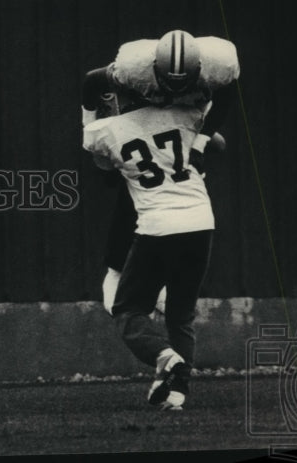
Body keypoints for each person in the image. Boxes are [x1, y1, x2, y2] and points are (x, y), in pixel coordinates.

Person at [82, 30, 238, 314]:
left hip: (189, 111)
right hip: (145, 108)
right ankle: (118, 268)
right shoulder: (133, 69)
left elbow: (228, 95)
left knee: (212, 149)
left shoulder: (220, 64)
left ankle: (154, 276)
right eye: (170, 81)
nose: (175, 87)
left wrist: (201, 142)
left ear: (201, 69)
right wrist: (92, 128)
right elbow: (92, 80)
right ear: (154, 68)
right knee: (133, 179)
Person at [83, 99, 215, 411]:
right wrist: (199, 138)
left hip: (155, 223)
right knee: (180, 315)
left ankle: (164, 356)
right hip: (200, 221)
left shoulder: (115, 128)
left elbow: (95, 151)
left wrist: (93, 110)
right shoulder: (186, 116)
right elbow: (218, 140)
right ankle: (176, 393)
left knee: (125, 307)